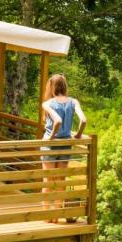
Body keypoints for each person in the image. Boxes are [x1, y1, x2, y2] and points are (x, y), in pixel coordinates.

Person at [40, 74, 86, 223]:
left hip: (50, 146)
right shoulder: (73, 102)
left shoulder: (47, 104)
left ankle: (47, 216)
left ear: (51, 87)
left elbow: (57, 121)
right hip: (66, 145)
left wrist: (51, 137)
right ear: (64, 86)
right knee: (61, 182)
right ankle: (56, 216)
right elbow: (83, 120)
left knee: (48, 181)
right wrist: (78, 135)